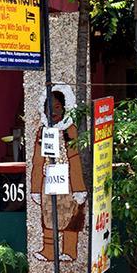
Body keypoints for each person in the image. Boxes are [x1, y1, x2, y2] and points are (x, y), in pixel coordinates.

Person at [29, 87, 87, 262]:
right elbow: (37, 160)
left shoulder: (70, 130)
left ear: (64, 107)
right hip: (49, 182)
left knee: (72, 218)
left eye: (57, 107)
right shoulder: (43, 131)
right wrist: (35, 188)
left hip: (68, 183)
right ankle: (49, 250)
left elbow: (75, 158)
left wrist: (78, 189)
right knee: (48, 216)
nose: (53, 112)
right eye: (49, 108)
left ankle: (69, 251)